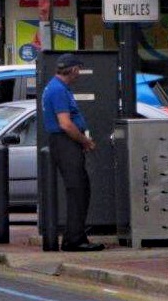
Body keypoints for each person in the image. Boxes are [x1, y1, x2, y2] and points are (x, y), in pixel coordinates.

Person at [42, 53, 103, 252]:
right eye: (79, 69)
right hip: (65, 142)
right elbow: (66, 124)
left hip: (66, 142)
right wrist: (85, 141)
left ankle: (75, 236)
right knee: (77, 190)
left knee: (81, 188)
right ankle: (74, 240)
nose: (80, 73)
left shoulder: (57, 87)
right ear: (74, 69)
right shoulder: (58, 90)